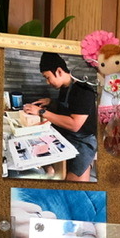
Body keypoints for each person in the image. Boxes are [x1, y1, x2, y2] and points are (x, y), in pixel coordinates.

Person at [23, 52, 97, 182]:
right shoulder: (65, 87)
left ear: (59, 71)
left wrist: (41, 112)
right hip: (65, 133)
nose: (47, 82)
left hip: (83, 140)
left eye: (47, 77)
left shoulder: (83, 90)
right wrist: (51, 102)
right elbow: (69, 108)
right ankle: (50, 169)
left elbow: (74, 125)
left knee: (74, 184)